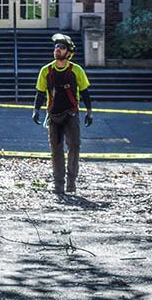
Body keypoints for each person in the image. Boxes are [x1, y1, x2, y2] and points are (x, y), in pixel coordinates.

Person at [32, 33, 93, 195]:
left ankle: (71, 181)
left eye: (62, 47)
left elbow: (85, 92)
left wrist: (89, 112)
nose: (57, 49)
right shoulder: (46, 71)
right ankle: (58, 184)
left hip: (71, 114)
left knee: (74, 145)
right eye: (56, 47)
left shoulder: (76, 70)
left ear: (68, 53)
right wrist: (36, 110)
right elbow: (40, 93)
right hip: (54, 116)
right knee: (56, 149)